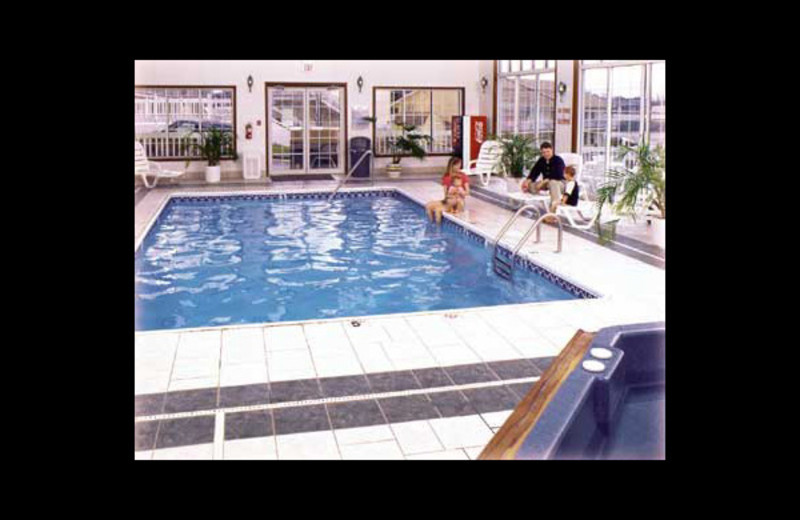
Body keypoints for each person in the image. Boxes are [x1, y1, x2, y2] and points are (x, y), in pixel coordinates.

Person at [520, 142, 566, 213]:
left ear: (552, 150)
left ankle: (553, 212)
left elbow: (558, 175)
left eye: (548, 151)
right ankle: (540, 201)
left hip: (559, 183)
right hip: (546, 184)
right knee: (530, 185)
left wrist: (543, 182)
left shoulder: (558, 160)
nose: (546, 154)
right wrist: (527, 182)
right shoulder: (541, 160)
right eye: (544, 152)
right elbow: (534, 172)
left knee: (553, 183)